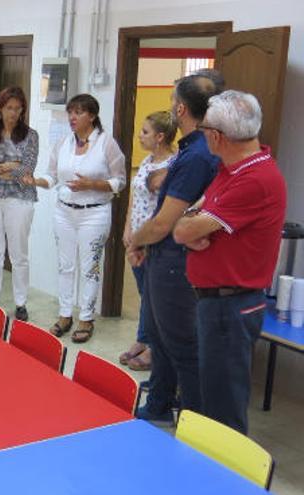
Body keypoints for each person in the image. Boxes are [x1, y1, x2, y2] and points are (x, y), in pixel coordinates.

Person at [173, 91, 286, 434]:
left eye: (204, 128)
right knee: (212, 394)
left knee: (223, 407)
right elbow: (190, 219)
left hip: (231, 306)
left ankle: (227, 468)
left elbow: (182, 230)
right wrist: (192, 224)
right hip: (217, 303)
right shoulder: (231, 169)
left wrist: (190, 226)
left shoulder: (256, 179)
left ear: (216, 136)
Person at [127, 73, 222, 424]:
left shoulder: (198, 155)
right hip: (162, 255)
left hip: (175, 259)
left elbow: (164, 222)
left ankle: (193, 423)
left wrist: (136, 240)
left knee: (181, 344)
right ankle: (159, 403)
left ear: (181, 108)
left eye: (172, 100)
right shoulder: (192, 149)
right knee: (160, 336)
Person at [24, 94, 126, 343]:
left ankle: (86, 318)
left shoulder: (107, 143)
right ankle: (65, 314)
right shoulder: (63, 143)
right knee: (65, 266)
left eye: (78, 112)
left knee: (90, 269)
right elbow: (52, 177)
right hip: (64, 212)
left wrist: (92, 184)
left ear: (92, 116)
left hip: (94, 213)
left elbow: (120, 181)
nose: (72, 117)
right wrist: (35, 181)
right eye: (70, 112)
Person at [119, 111, 177, 371]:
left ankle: (156, 347)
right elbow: (135, 197)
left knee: (157, 297)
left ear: (160, 136)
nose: (140, 136)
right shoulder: (147, 161)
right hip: (137, 238)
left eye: (145, 132)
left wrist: (146, 237)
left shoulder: (174, 166)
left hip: (156, 239)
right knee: (145, 293)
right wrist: (128, 227)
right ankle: (143, 338)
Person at [0, 86, 39, 321]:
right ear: (0, 109)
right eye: (9, 108)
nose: (13, 113)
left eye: (18, 108)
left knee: (18, 253)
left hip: (20, 198)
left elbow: (27, 169)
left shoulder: (31, 136)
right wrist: (7, 166)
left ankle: (20, 302)